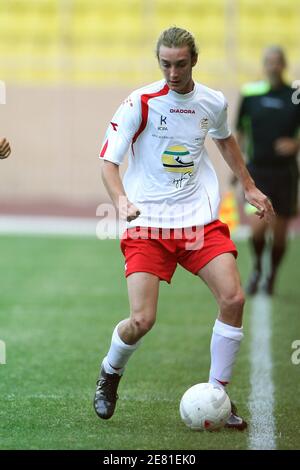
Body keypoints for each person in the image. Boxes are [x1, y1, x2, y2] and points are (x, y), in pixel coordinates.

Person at [94, 27, 274, 430]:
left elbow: (225, 140)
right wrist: (122, 200)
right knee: (142, 320)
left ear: (194, 60)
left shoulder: (211, 101)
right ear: (159, 62)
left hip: (198, 221)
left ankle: (218, 395)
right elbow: (108, 161)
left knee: (233, 298)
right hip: (148, 226)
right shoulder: (140, 102)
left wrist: (248, 186)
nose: (172, 72)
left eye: (179, 64)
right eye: (165, 64)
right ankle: (110, 372)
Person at [236, 46, 300, 295]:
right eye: (269, 62)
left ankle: (272, 273)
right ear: (264, 65)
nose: (273, 66)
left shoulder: (295, 94)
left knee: (281, 236)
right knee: (257, 230)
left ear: (284, 65)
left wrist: (296, 144)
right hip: (257, 173)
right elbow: (239, 131)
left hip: (285, 173)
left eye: (277, 62)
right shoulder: (250, 94)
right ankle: (257, 270)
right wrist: (238, 165)